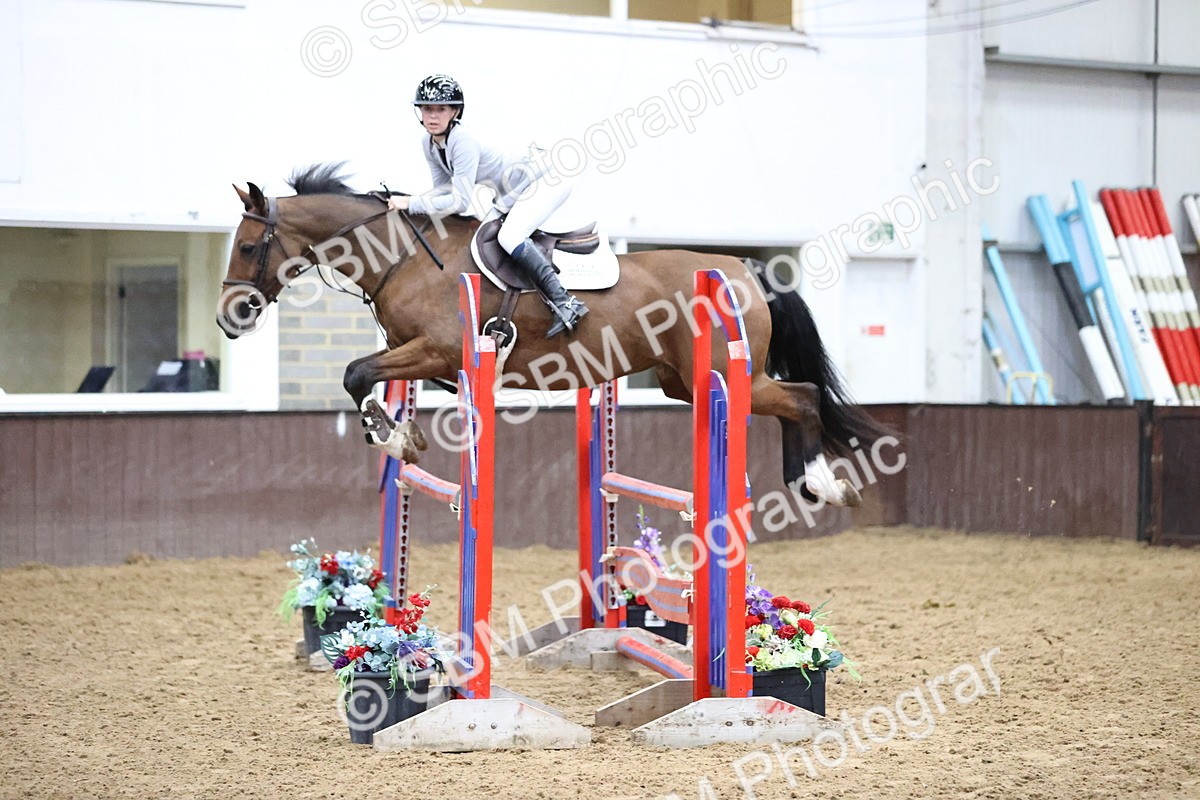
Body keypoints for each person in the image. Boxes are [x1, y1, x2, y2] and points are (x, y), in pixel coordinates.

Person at [388, 74, 588, 338]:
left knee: (509, 237)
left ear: (455, 112)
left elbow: (459, 201)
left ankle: (565, 302)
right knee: (481, 239)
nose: (433, 116)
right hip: (512, 191)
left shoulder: (462, 141)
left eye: (441, 109)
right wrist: (412, 205)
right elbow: (442, 193)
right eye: (427, 108)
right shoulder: (429, 145)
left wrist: (410, 202)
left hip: (547, 177)